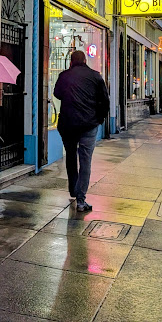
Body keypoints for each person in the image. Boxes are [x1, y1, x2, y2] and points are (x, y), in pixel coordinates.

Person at [53, 50, 109, 212]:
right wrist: (99, 119)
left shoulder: (64, 76)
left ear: (70, 61)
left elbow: (57, 94)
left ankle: (73, 189)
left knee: (70, 157)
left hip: (68, 124)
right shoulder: (95, 76)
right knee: (85, 161)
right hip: (89, 125)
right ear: (85, 60)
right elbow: (105, 100)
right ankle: (81, 199)